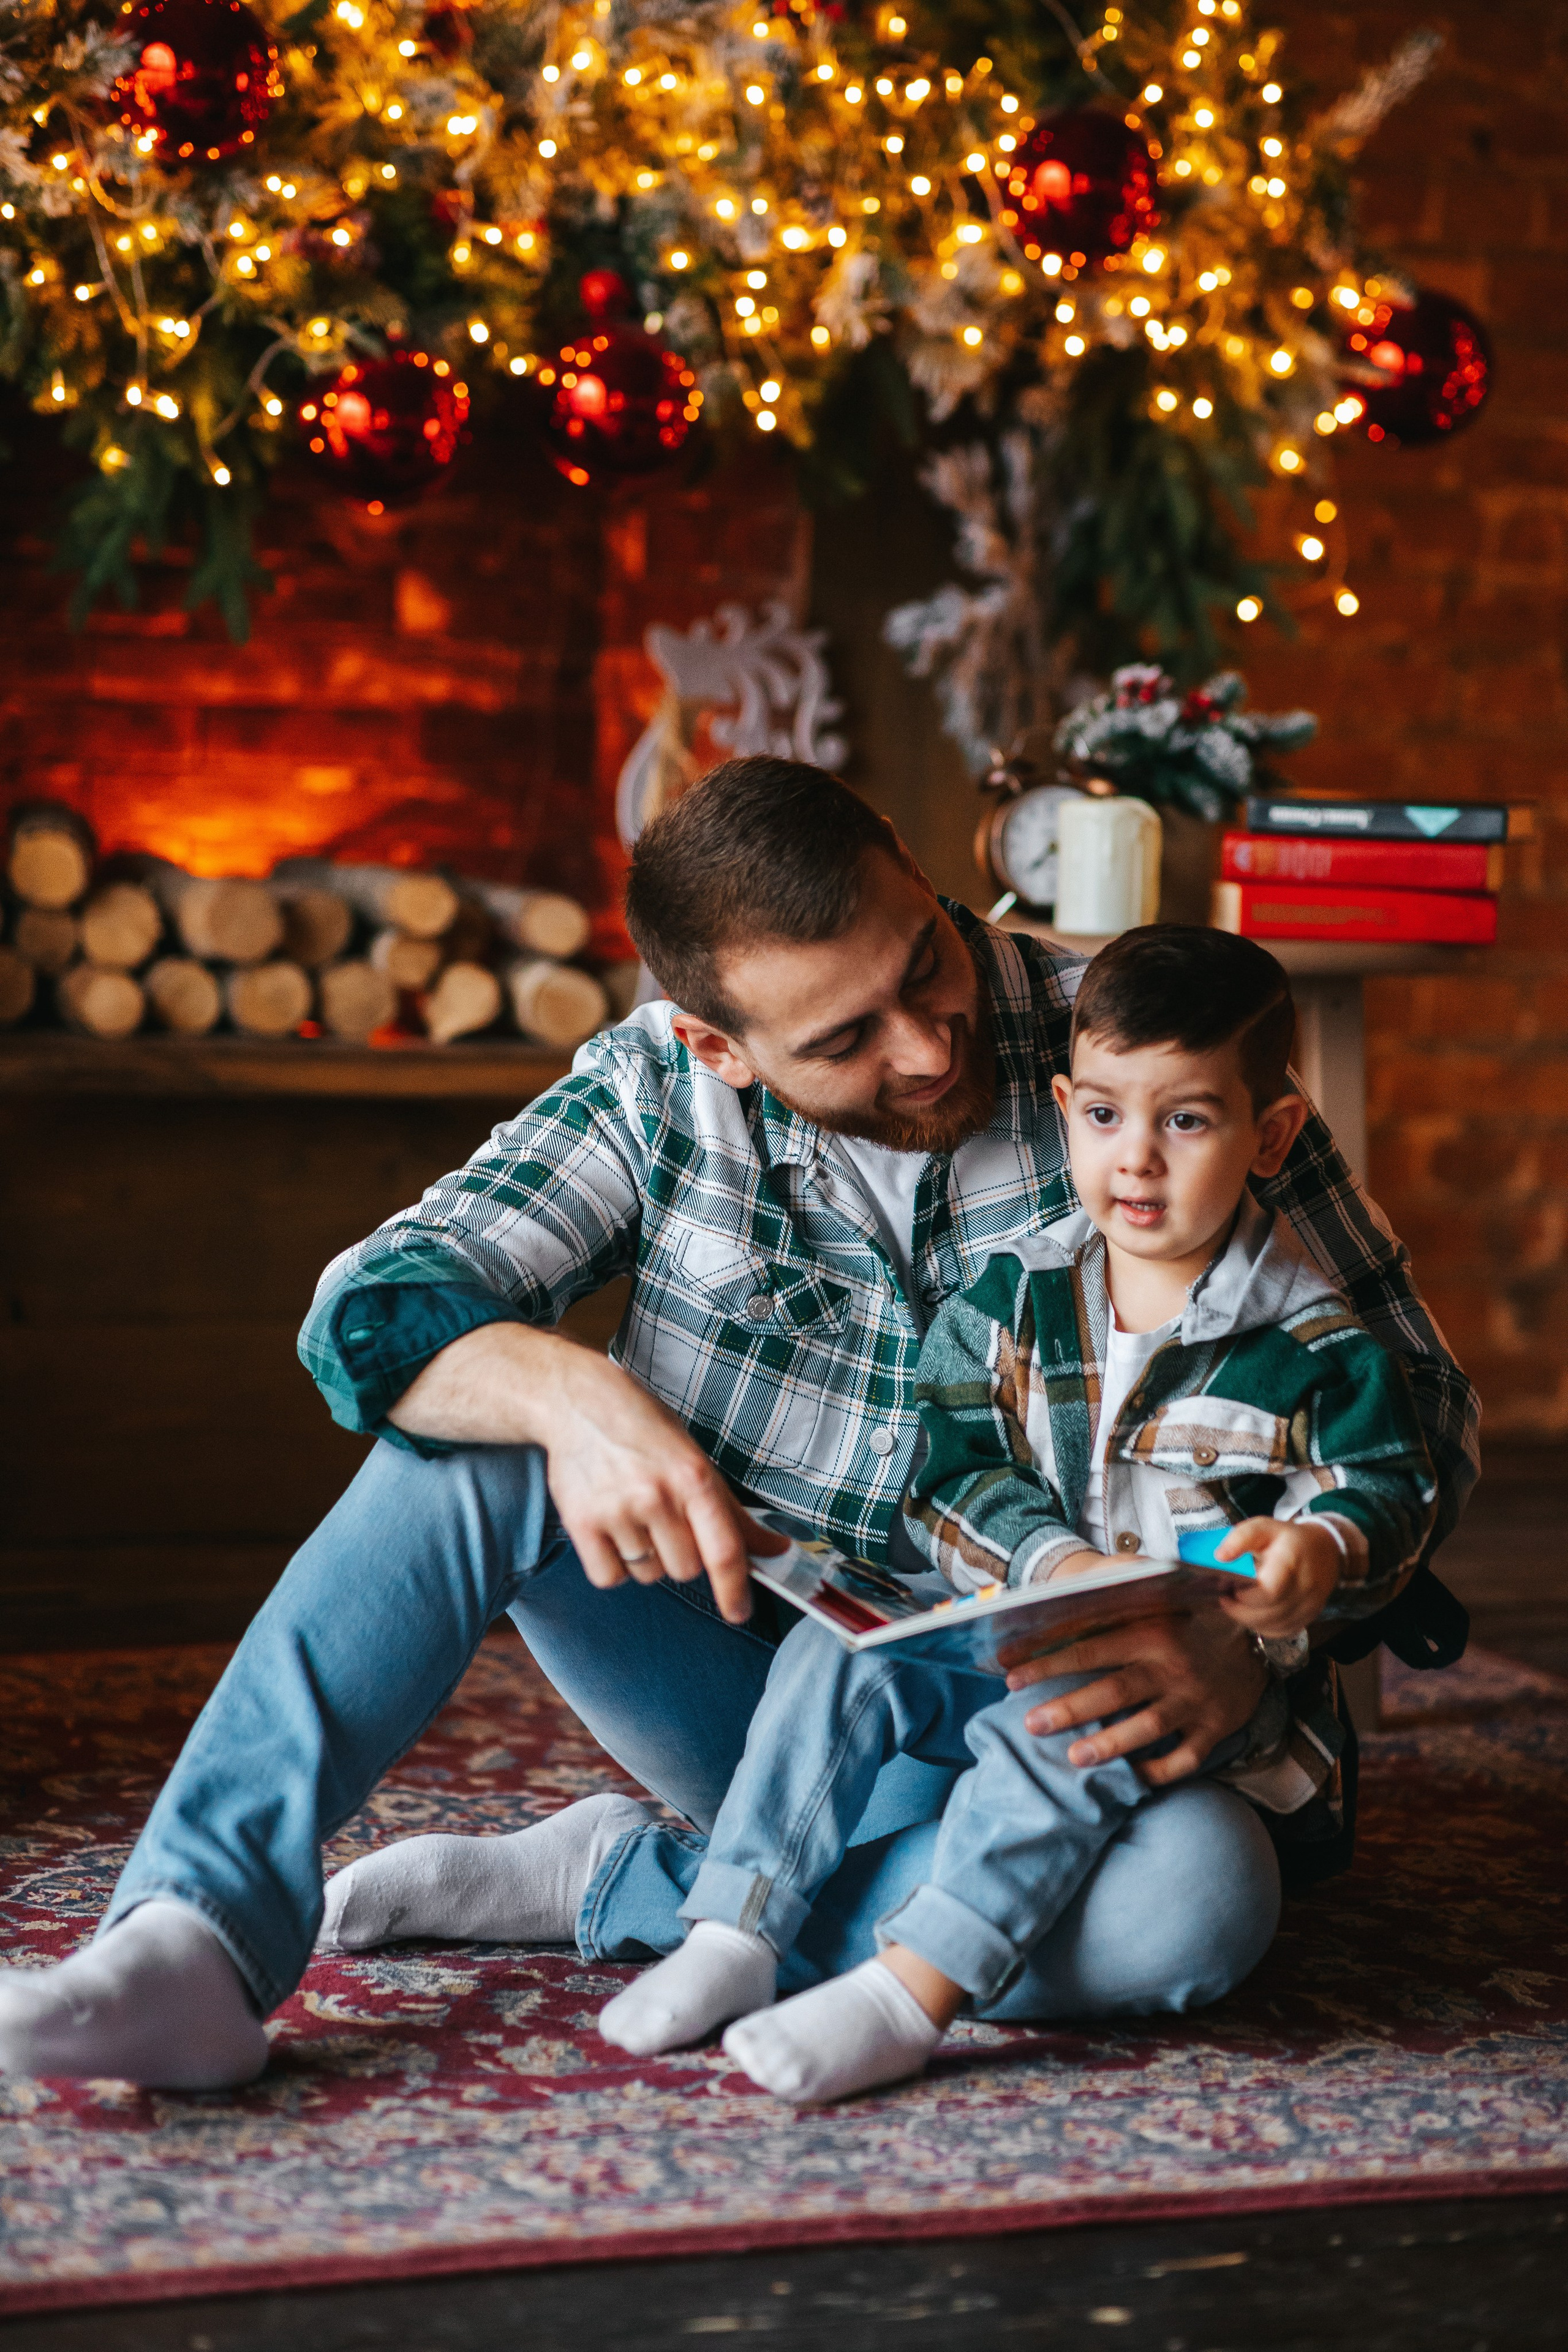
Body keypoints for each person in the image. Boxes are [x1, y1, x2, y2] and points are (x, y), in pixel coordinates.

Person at [0, 762, 1477, 2092]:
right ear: (718, 1044)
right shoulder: (653, 1093)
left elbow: (1420, 1415)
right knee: (466, 1439)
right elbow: (368, 1311)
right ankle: (192, 1935)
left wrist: (1255, 1632)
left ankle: (632, 1886)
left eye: (926, 962)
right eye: (845, 1036)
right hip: (769, 1688)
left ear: (914, 864)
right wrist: (572, 1395)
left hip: (1090, 1720)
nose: (924, 1048)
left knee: (1198, 1906)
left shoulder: (1143, 1050)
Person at [594, 927, 1438, 2101]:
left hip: (1182, 1706)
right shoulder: (1013, 1294)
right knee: (835, 1660)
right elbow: (951, 1470)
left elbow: (1390, 1488)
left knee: (1069, 1735)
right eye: (1103, 1117)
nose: (1135, 1161)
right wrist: (1053, 1566)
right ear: (1064, 1108)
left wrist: (1319, 1552)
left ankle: (911, 1994)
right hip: (1011, 1620)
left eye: (1186, 1122)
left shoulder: (1315, 1348)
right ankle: (732, 1928)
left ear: (1272, 1135)